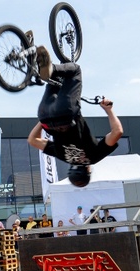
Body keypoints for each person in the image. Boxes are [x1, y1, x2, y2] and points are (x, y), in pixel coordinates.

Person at [28, 47, 123, 188]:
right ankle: (30, 58)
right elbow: (32, 140)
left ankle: (51, 68)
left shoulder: (94, 157)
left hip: (67, 112)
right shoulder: (63, 156)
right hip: (45, 114)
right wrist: (43, 122)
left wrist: (109, 110)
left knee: (75, 70)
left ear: (88, 171)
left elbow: (117, 132)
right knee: (52, 78)